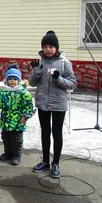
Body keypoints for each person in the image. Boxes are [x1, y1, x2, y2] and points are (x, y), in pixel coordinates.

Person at [29, 30, 77, 178]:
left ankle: (55, 163)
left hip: (58, 104)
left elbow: (73, 84)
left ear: (56, 48)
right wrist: (36, 72)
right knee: (45, 133)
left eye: (51, 46)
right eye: (45, 47)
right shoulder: (40, 63)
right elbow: (31, 83)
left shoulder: (64, 63)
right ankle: (45, 161)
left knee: (56, 133)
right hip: (43, 103)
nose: (48, 50)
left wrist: (58, 79)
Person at [0, 65, 35, 165]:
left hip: (18, 122)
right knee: (6, 139)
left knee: (16, 140)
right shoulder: (3, 92)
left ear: (19, 80)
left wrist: (26, 116)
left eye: (15, 79)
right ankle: (8, 153)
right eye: (10, 79)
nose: (12, 81)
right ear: (6, 80)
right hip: (6, 121)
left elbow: (29, 107)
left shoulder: (24, 93)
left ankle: (16, 155)